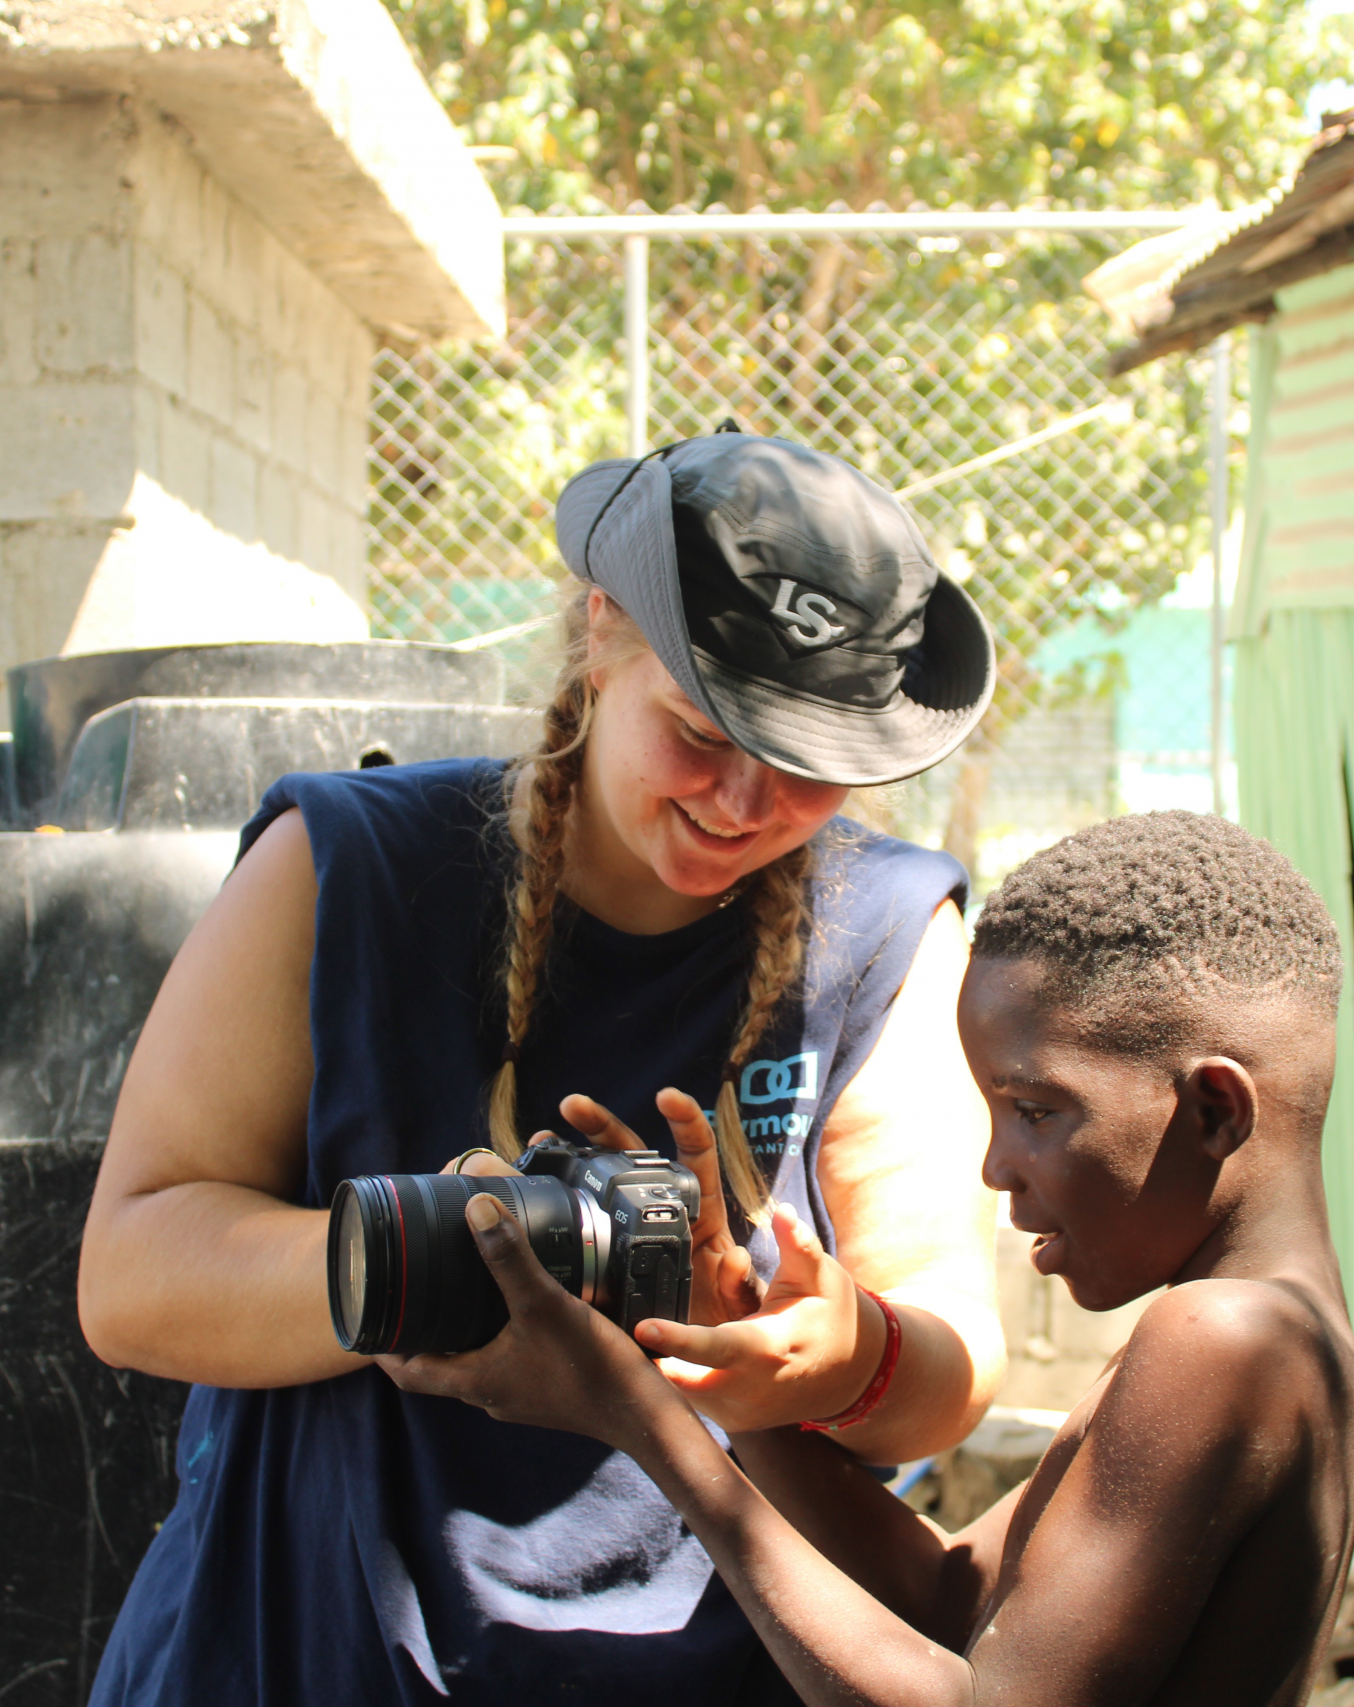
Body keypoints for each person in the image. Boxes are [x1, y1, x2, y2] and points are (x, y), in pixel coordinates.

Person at [77, 431, 1011, 1704]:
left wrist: (833, 1360)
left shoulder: (888, 931)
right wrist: (467, 1258)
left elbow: (949, 1364)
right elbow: (133, 1276)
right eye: (700, 732)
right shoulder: (345, 870)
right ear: (602, 631)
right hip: (310, 1639)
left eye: (804, 771)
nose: (743, 799)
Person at [387, 809, 1354, 1707]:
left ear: (1214, 1110)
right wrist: (712, 1368)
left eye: (1034, 1112)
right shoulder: (1279, 1334)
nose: (996, 1168)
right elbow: (945, 1598)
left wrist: (642, 1427)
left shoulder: (1221, 1339)